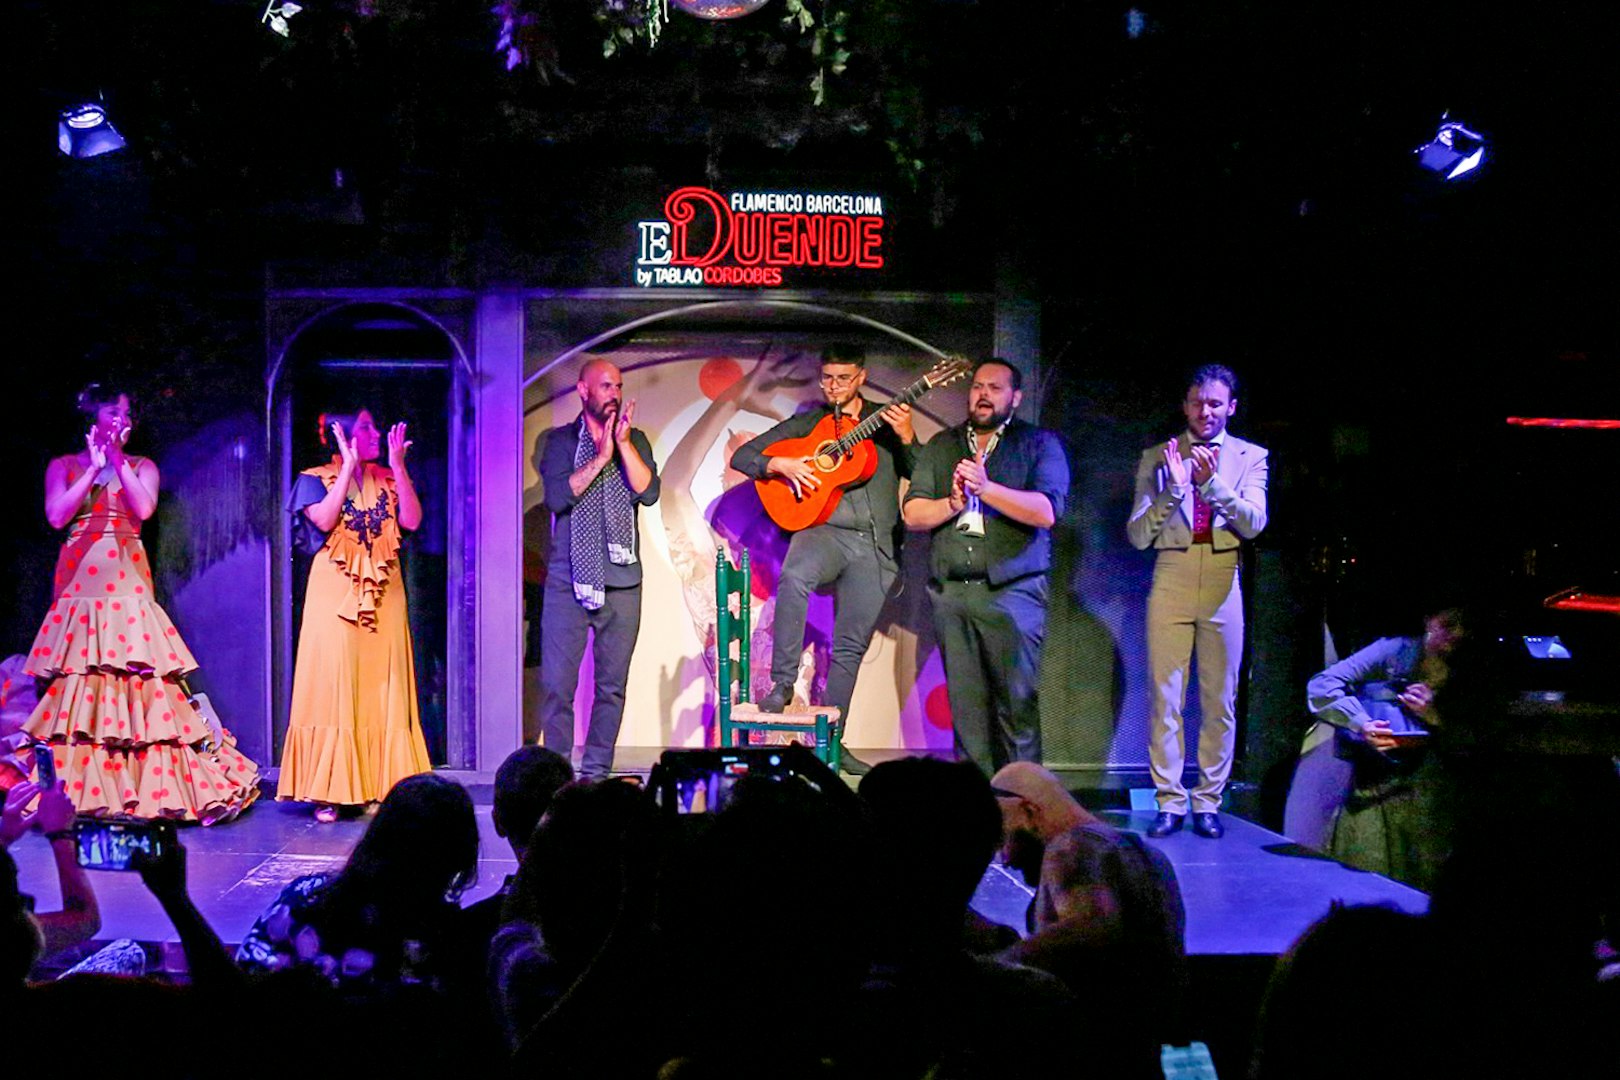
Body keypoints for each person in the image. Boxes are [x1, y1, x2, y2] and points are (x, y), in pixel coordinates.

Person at [22, 382, 259, 821]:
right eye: (114, 413)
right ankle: (83, 793)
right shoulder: (64, 466)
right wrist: (93, 470)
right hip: (79, 586)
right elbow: (57, 516)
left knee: (138, 680)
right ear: (93, 418)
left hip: (127, 582)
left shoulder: (142, 465)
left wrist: (115, 462)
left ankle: (143, 786)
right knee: (80, 687)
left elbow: (145, 508)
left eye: (127, 415)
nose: (122, 422)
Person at [729, 343, 918, 771]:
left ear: (862, 378)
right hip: (823, 532)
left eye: (843, 378)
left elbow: (920, 472)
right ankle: (782, 684)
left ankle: (833, 743)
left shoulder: (885, 425)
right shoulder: (808, 423)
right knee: (794, 577)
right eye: (828, 378)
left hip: (875, 545)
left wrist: (907, 435)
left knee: (849, 646)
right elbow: (745, 455)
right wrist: (782, 465)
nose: (834, 387)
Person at [903, 360, 1069, 774]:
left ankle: (1025, 812)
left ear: (1015, 397)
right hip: (953, 595)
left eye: (995, 388)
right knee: (967, 716)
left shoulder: (1038, 445)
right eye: (977, 386)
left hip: (1012, 594)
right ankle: (976, 814)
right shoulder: (943, 445)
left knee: (1017, 708)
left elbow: (1046, 511)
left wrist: (986, 488)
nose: (982, 394)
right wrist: (954, 503)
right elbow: (913, 513)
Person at [1127, 364, 1268, 839]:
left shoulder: (1252, 457)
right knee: (1165, 696)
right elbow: (1139, 535)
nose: (1204, 411)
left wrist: (1211, 485)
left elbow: (1253, 523)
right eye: (1196, 402)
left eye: (1214, 403)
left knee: (1219, 699)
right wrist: (1174, 489)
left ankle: (1208, 800)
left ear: (1230, 407)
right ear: (1185, 405)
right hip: (1172, 571)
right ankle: (1169, 801)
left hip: (1224, 578)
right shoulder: (1158, 456)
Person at [279, 409, 431, 821]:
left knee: (382, 684)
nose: (376, 432)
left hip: (385, 590)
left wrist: (398, 467)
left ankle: (381, 784)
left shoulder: (385, 476)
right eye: (366, 426)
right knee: (335, 684)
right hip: (336, 591)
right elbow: (325, 519)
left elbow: (412, 520)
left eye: (373, 424)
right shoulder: (314, 477)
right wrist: (346, 468)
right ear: (341, 433)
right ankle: (329, 788)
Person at [538, 360, 660, 779]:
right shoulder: (558, 442)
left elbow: (648, 492)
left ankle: (594, 776)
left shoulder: (637, 440)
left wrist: (622, 447)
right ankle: (555, 780)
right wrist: (601, 457)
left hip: (623, 584)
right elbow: (557, 497)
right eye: (605, 385)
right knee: (557, 688)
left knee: (611, 689)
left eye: (618, 386)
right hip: (567, 581)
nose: (614, 392)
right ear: (583, 391)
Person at [1298, 609, 1465, 888]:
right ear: (1428, 621)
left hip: (1430, 788)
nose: (1456, 634)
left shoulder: (1472, 667)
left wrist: (1434, 716)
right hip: (1378, 784)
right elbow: (1322, 686)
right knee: (1369, 871)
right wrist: (1362, 722)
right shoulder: (1397, 651)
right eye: (1448, 625)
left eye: (1464, 627)